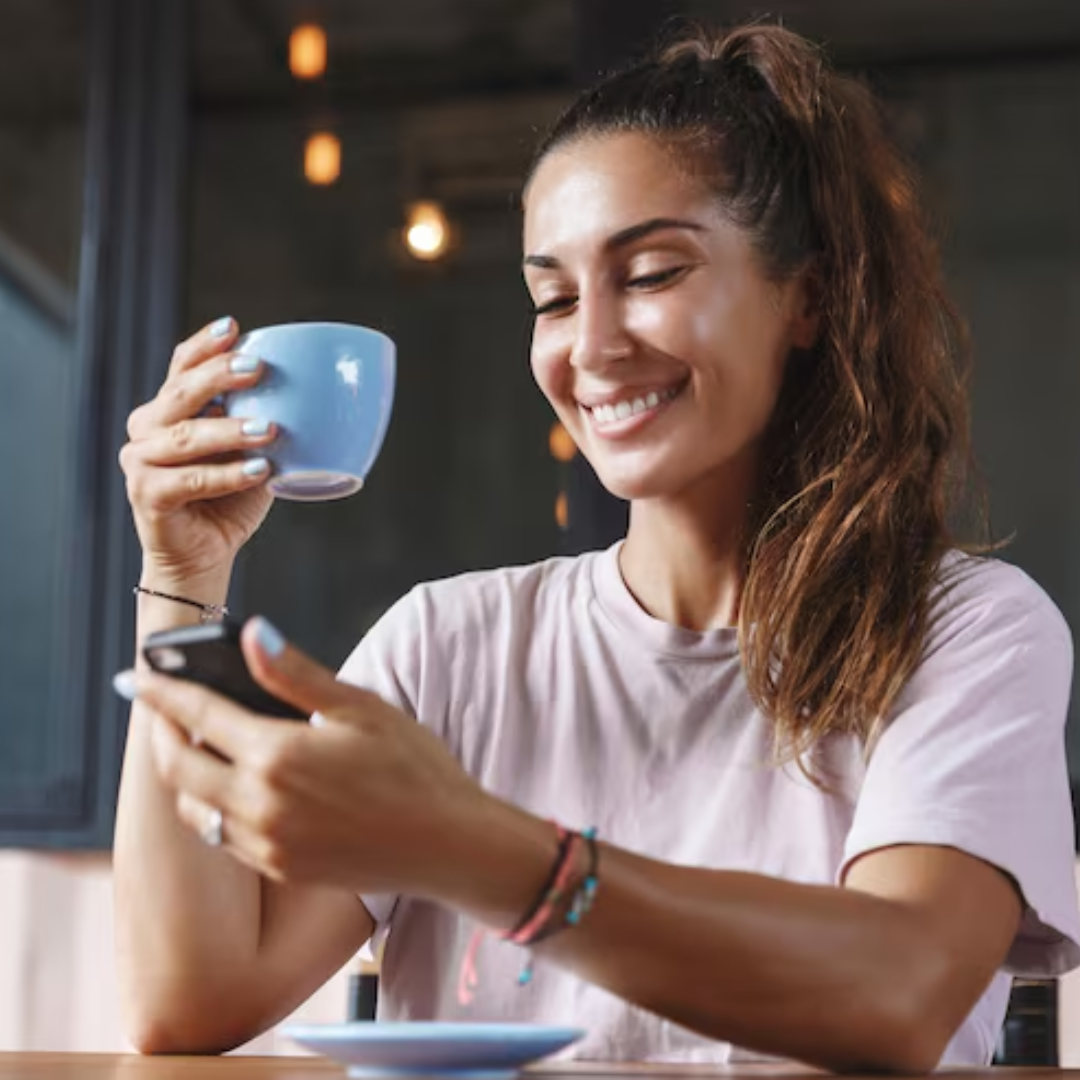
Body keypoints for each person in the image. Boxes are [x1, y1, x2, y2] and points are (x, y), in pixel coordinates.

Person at [112, 22, 1079, 1072]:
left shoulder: (965, 631)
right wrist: (182, 577)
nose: (594, 345)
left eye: (654, 273)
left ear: (808, 298)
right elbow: (190, 999)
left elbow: (897, 994)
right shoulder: (450, 644)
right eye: (556, 298)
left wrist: (473, 847)